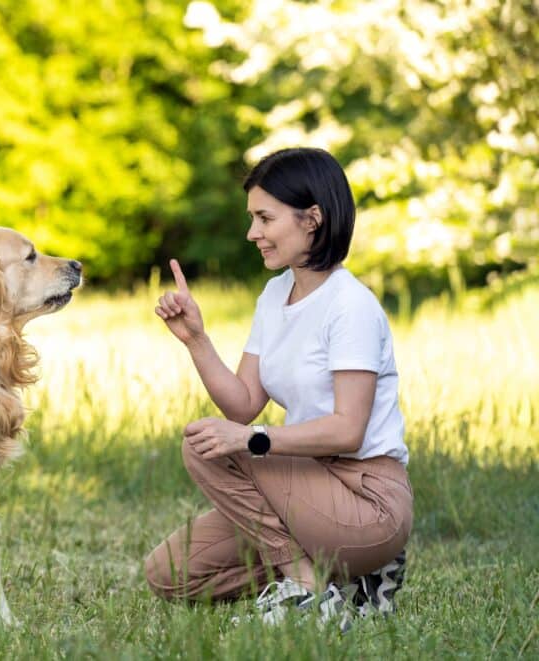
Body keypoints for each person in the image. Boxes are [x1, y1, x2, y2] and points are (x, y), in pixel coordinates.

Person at [144, 147, 412, 629]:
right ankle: (343, 580)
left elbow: (348, 430)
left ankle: (307, 590)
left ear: (312, 219)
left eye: (264, 218)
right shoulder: (274, 295)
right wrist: (197, 341)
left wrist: (254, 441)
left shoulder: (350, 305)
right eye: (252, 218)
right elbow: (243, 405)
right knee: (170, 573)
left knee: (207, 448)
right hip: (303, 490)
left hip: (366, 499)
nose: (252, 234)